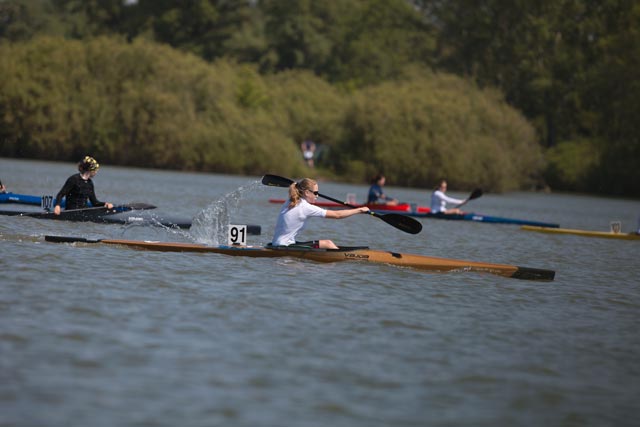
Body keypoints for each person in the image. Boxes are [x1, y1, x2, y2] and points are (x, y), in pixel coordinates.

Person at [271, 178, 370, 249]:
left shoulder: (290, 201)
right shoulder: (306, 207)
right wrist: (359, 210)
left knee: (324, 244)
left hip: (277, 243)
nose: (317, 196)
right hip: (284, 246)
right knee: (328, 243)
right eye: (315, 193)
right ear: (306, 193)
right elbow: (337, 215)